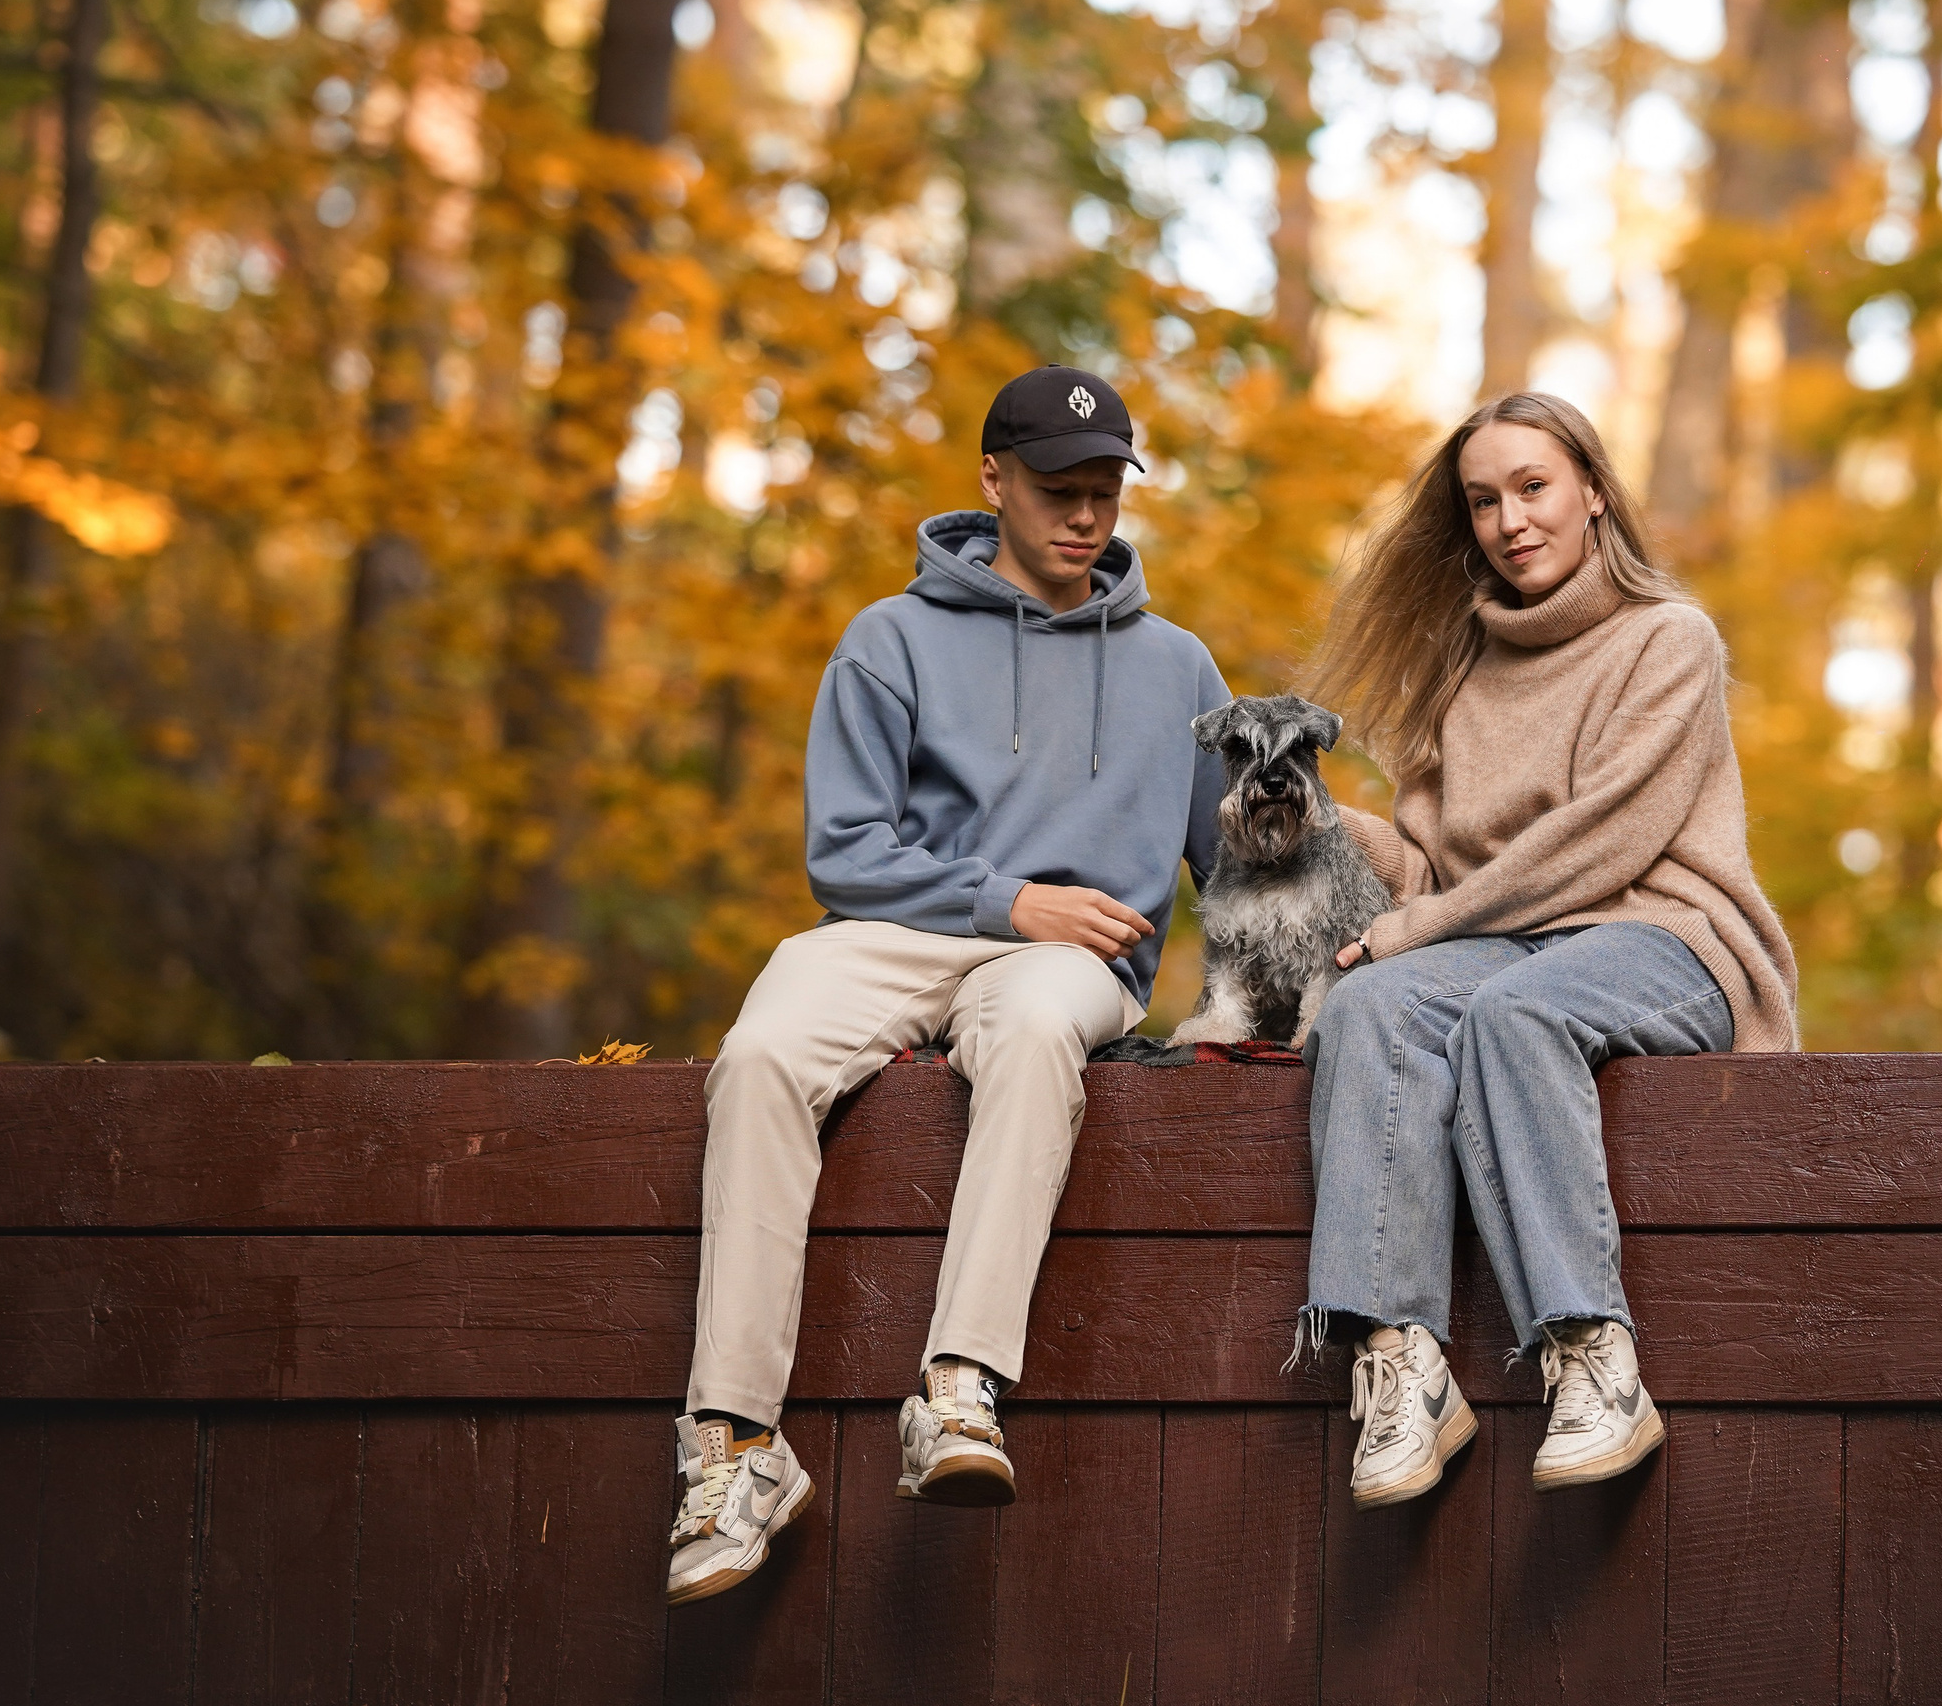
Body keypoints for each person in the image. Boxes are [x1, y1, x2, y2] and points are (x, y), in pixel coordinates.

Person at [665, 366, 1228, 1606]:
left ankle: (958, 1391)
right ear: (992, 480)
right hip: (898, 929)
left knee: (1033, 1032)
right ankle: (735, 1448)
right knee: (758, 1056)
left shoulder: (1179, 667)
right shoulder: (891, 638)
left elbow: (1249, 859)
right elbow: (844, 851)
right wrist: (1006, 899)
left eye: (1104, 491)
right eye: (1056, 488)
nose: (1083, 515)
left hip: (1070, 961)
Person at [1295, 390, 1798, 1509]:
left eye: (1533, 487)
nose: (1510, 520)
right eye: (1484, 501)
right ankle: (1402, 1364)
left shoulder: (1668, 639)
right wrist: (1325, 829)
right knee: (1369, 1006)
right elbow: (1438, 874)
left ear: (1594, 493)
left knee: (1514, 1014)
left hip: (1663, 934)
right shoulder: (1459, 671)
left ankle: (1592, 1359)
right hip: (1507, 941)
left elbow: (1602, 840)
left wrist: (1418, 927)